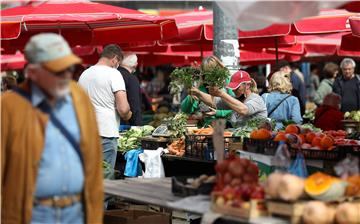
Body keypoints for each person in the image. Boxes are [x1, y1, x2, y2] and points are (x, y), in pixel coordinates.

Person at [1, 33, 103, 223]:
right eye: (58, 70)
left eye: (69, 68)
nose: (66, 75)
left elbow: (94, 160)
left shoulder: (79, 96)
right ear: (33, 73)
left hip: (77, 212)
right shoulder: (9, 107)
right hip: (33, 214)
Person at [79, 44, 132, 171]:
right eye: (118, 62)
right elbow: (123, 109)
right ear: (114, 59)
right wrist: (129, 114)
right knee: (105, 177)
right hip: (105, 133)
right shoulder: (114, 74)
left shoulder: (84, 74)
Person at [190, 70, 267, 128]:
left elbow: (244, 110)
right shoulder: (237, 99)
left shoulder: (256, 99)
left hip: (255, 141)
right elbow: (213, 102)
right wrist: (197, 93)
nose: (233, 90)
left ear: (247, 85)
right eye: (233, 87)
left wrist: (222, 94)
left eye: (237, 87)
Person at [181, 56, 234, 127]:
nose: (210, 77)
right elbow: (185, 110)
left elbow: (238, 108)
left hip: (227, 127)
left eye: (213, 73)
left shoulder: (228, 84)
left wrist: (218, 113)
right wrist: (190, 97)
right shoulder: (201, 88)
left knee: (218, 137)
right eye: (207, 74)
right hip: (206, 129)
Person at [118, 53, 142, 126]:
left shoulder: (111, 74)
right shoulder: (131, 78)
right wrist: (137, 126)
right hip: (124, 124)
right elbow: (134, 104)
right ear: (135, 64)